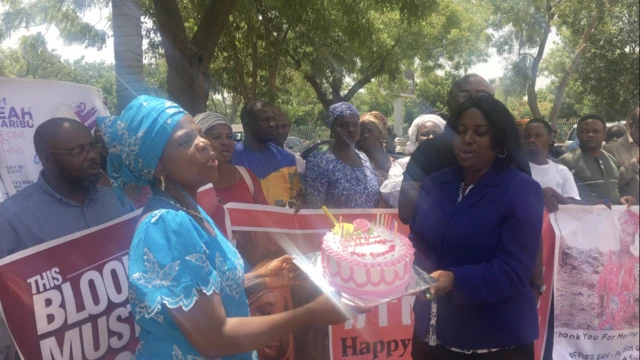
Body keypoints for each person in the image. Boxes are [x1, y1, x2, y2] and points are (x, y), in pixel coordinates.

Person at [98, 95, 361, 359]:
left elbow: (203, 293)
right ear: (157, 166)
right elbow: (215, 337)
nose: (204, 144)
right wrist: (311, 313)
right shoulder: (167, 223)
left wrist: (262, 278)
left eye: (200, 134)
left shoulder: (191, 210)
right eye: (186, 141)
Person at [410, 95, 544, 359]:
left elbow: (513, 271)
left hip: (495, 339)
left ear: (500, 142)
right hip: (432, 335)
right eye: (460, 131)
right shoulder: (435, 184)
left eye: (479, 132)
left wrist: (454, 279)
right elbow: (418, 240)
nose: (467, 138)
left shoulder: (522, 190)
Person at [0, 117, 135, 359]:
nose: (92, 155)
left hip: (128, 341)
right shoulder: (10, 219)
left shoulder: (118, 200)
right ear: (47, 159)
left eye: (92, 146)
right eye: (77, 151)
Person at [398, 74, 531, 225]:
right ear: (449, 103)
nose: (473, 100)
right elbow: (406, 213)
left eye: (483, 95)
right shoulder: (428, 151)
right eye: (464, 95)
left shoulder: (513, 155)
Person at [305, 102, 379, 209]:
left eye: (355, 124)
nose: (351, 129)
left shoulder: (364, 159)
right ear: (333, 129)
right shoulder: (320, 162)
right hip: (334, 225)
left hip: (368, 225)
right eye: (343, 125)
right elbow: (314, 207)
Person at [232, 101, 302, 208]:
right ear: (247, 125)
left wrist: (297, 202)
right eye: (265, 120)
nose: (272, 124)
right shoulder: (231, 159)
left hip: (279, 223)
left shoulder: (288, 159)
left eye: (273, 119)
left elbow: (297, 194)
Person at [558, 114, 634, 206]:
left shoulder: (611, 160)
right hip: (582, 219)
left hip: (612, 219)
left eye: (596, 131)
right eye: (585, 131)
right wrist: (588, 205)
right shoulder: (565, 162)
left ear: (604, 135)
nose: (590, 135)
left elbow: (614, 190)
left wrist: (623, 199)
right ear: (578, 135)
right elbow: (558, 198)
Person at [195, 112, 268, 206]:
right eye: (217, 137)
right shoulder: (190, 184)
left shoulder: (246, 176)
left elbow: (265, 216)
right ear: (201, 142)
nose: (225, 142)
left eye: (229, 137)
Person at [380, 114, 446, 207]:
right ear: (416, 139)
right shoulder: (402, 164)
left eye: (436, 134)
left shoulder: (451, 164)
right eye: (425, 134)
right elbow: (389, 191)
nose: (431, 137)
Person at [524, 118, 581, 212]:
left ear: (550, 139)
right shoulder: (517, 169)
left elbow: (574, 206)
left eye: (537, 136)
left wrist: (554, 194)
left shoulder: (562, 171)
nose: (531, 140)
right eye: (527, 136)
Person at [596, 209, 639, 331]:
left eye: (629, 234)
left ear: (633, 239)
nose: (625, 238)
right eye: (623, 231)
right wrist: (600, 308)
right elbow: (601, 287)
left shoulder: (637, 262)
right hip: (609, 321)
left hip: (629, 325)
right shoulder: (610, 257)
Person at [603, 107, 639, 201]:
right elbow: (608, 184)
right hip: (628, 210)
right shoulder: (610, 149)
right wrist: (635, 163)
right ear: (631, 125)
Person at [358, 111, 393, 188]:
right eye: (362, 132)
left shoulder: (393, 164)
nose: (366, 135)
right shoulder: (355, 161)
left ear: (381, 134)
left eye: (370, 131)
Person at [273, 109, 306, 186]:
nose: (280, 131)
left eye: (284, 126)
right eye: (276, 127)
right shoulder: (255, 159)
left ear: (289, 126)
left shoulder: (296, 160)